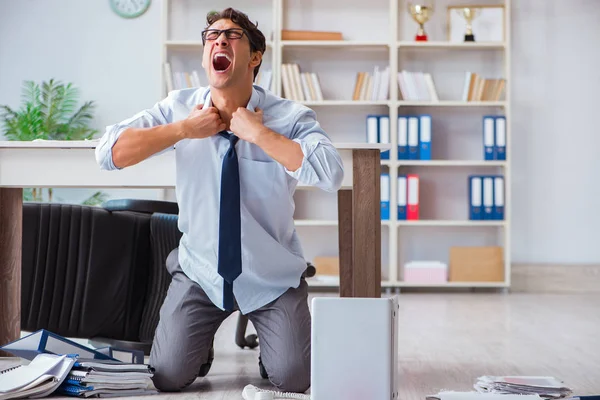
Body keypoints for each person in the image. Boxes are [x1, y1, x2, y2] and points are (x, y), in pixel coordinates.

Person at [94, 6, 344, 395]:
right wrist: (182, 129)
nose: (219, 40)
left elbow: (331, 173)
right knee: (167, 377)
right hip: (201, 271)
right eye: (211, 36)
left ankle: (272, 345)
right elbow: (108, 152)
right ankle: (198, 343)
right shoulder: (179, 106)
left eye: (231, 35)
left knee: (295, 380)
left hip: (271, 276)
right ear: (206, 55)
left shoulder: (290, 116)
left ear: (255, 57)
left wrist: (260, 135)